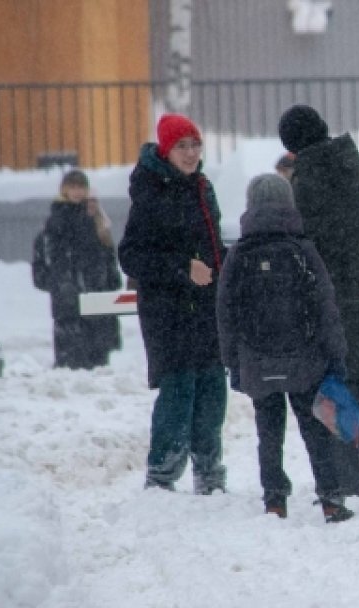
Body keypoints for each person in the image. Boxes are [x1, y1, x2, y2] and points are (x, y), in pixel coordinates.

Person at [217, 174, 355, 520]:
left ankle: (275, 499)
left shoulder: (239, 253)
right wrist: (336, 355)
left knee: (268, 431)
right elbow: (326, 306)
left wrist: (233, 361)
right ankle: (331, 499)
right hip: (304, 360)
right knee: (314, 431)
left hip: (256, 358)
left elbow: (226, 311)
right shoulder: (303, 250)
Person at [279, 104, 359, 521]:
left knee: (328, 382)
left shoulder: (305, 181)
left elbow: (301, 245)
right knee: (354, 380)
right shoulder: (349, 166)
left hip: (321, 298)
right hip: (354, 294)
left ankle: (342, 481)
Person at [118, 113, 228, 494]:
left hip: (207, 311)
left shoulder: (202, 188)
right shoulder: (151, 193)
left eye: (195, 144)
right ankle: (161, 478)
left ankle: (210, 476)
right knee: (178, 394)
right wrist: (183, 269)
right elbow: (131, 256)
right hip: (171, 315)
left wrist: (226, 265)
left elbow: (211, 246)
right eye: (182, 145)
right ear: (166, 150)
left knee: (212, 393)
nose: (191, 152)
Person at [31, 169, 123, 369]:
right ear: (63, 190)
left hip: (97, 300)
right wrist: (59, 284)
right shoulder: (55, 222)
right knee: (71, 365)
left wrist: (110, 281)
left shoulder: (98, 220)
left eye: (81, 187)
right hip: (69, 305)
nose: (77, 192)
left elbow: (108, 256)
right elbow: (43, 263)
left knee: (99, 364)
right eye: (72, 187)